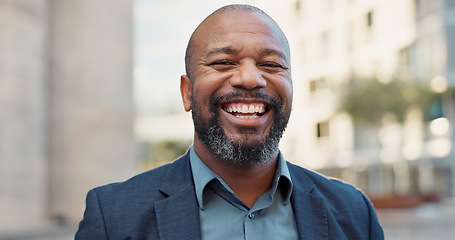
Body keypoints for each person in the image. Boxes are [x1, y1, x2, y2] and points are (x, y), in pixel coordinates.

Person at [76, 4, 384, 239]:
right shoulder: (113, 216)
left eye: (271, 64)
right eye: (223, 62)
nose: (250, 78)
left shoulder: (354, 213)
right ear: (187, 92)